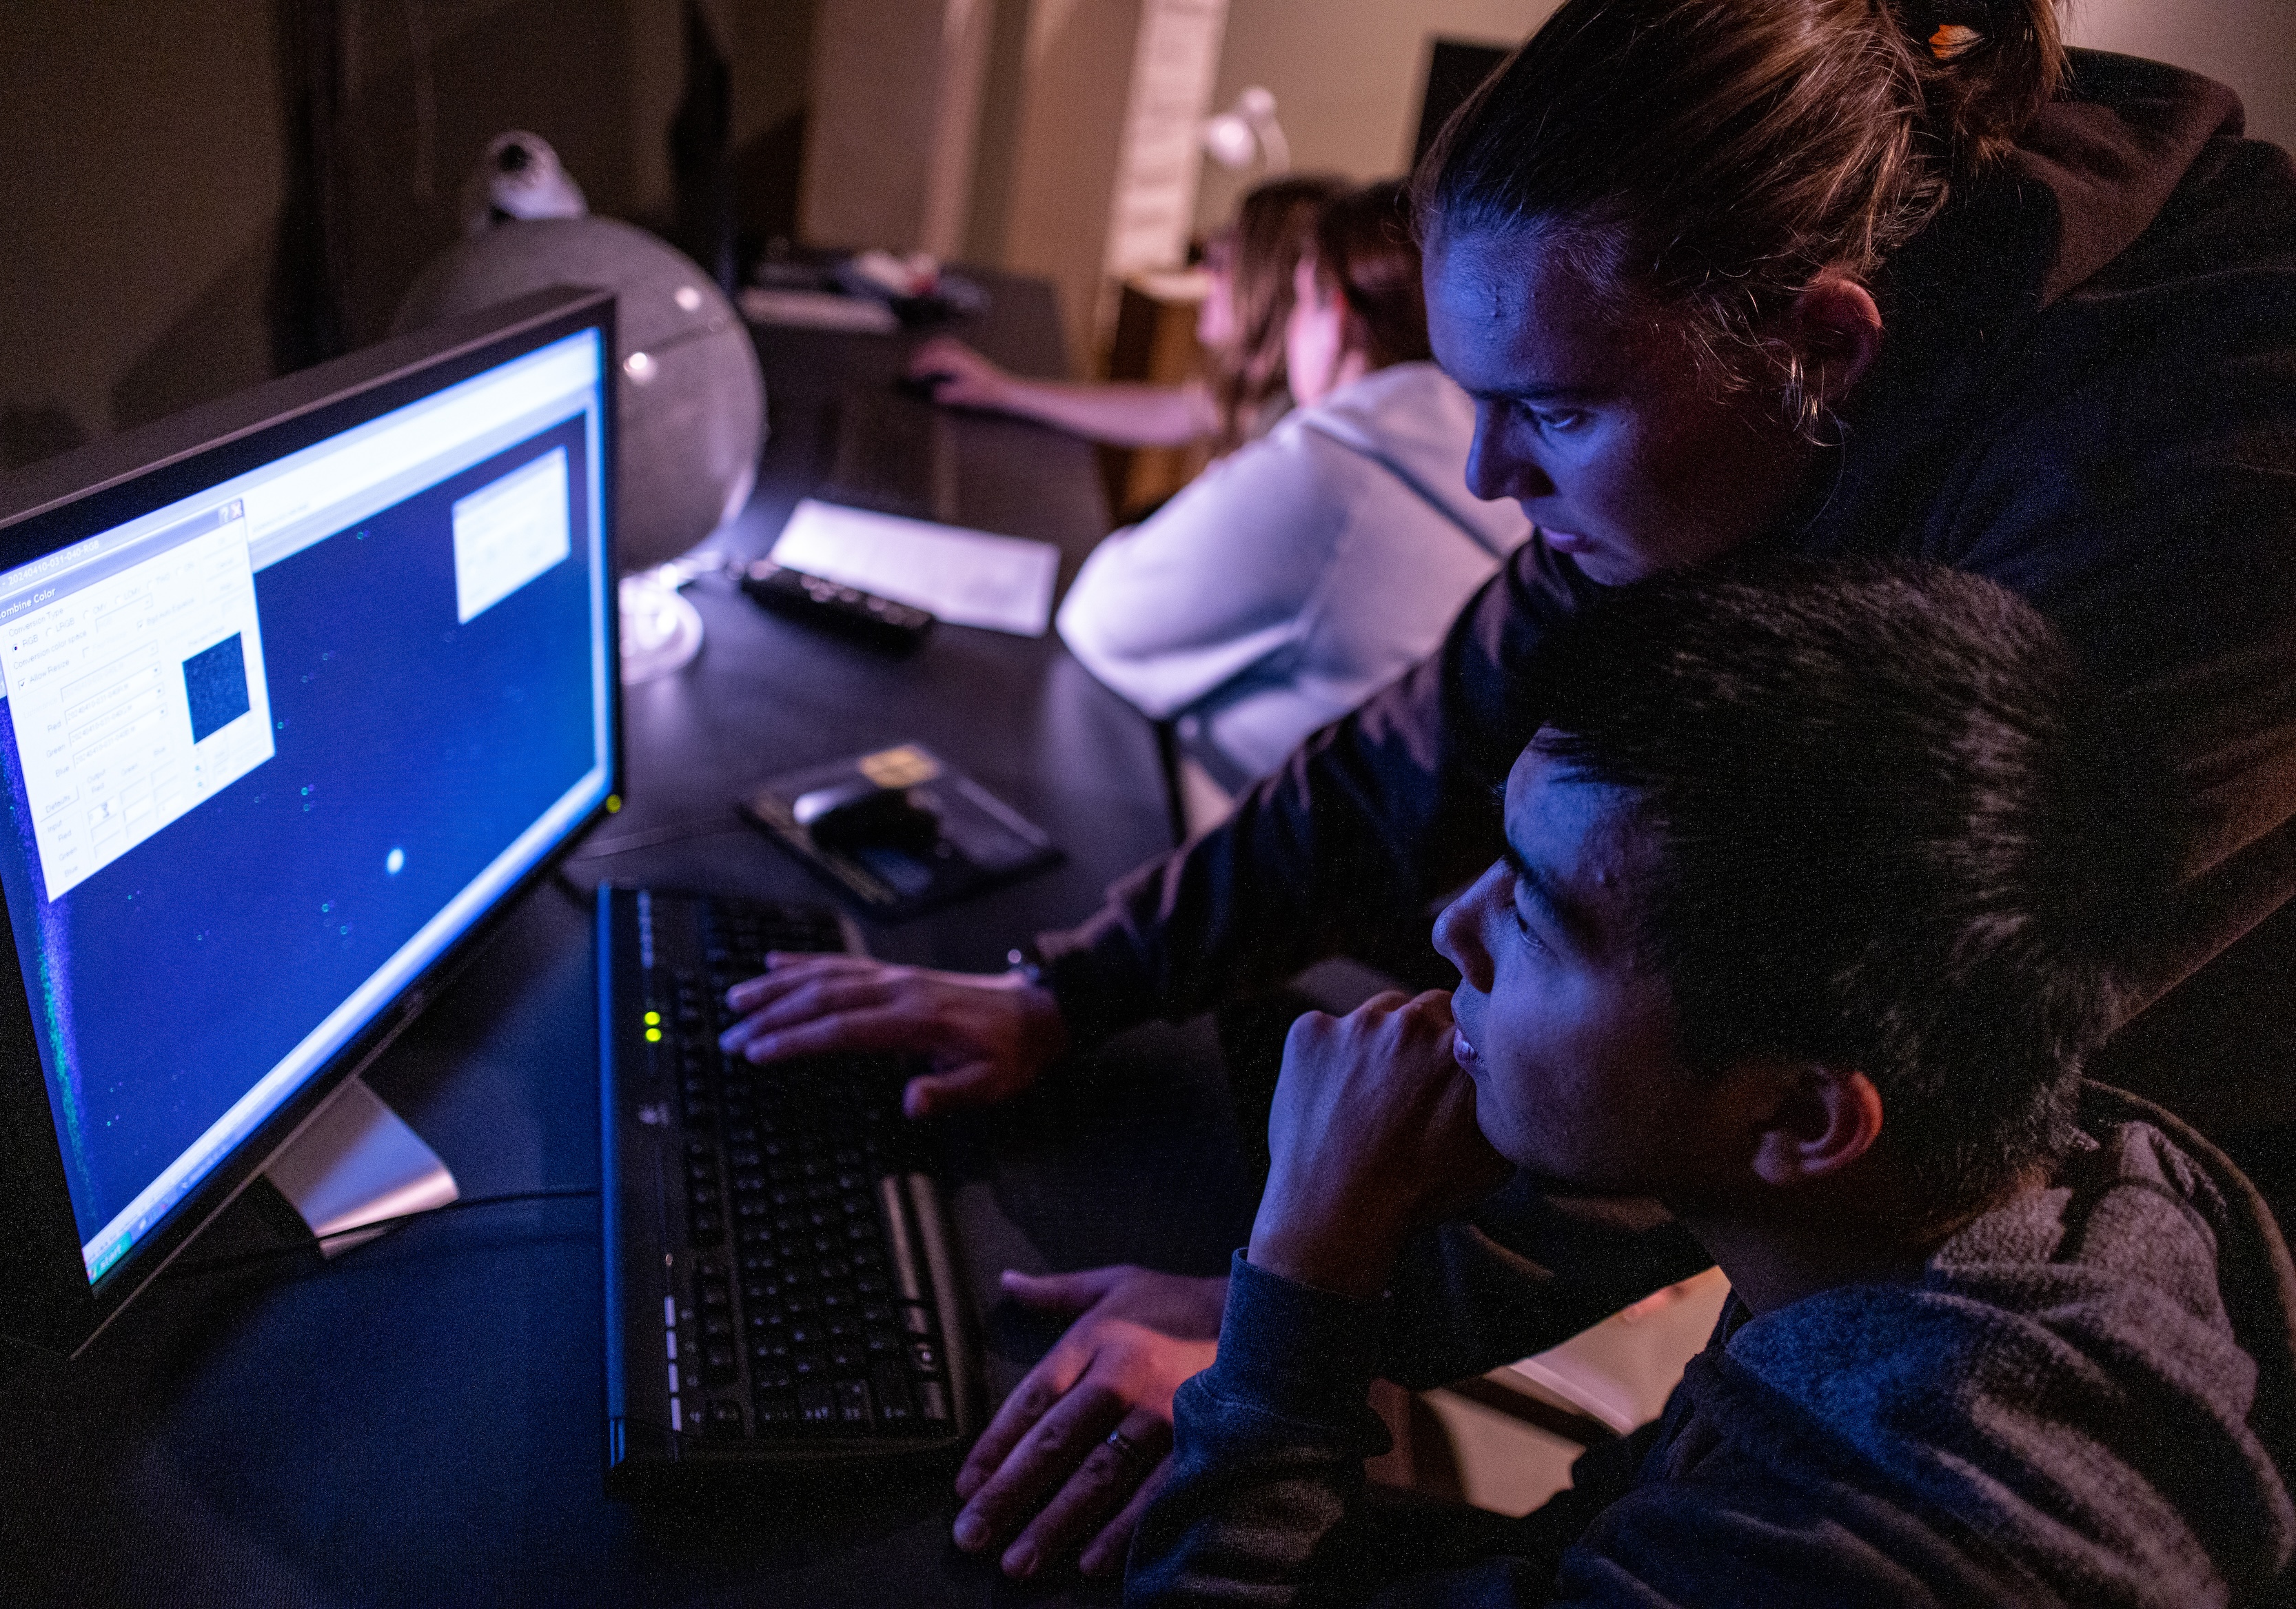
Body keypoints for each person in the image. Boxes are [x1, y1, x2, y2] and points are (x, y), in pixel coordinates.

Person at [722, 0, 2296, 1578]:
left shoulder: (2186, 504)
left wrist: (1291, 1315)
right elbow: (1445, 727)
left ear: (1823, 347)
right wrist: (1063, 988)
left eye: (1549, 411)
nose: (1487, 472)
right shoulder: (1734, 395)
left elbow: (1765, 1051)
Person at [1127, 562, 2296, 1606]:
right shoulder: (2082, 1205)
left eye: (1537, 914)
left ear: (1799, 1114)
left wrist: (1305, 1265)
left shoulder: (1872, 1537)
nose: (1454, 927)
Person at [1057, 181, 1530, 788]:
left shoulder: (1335, 466)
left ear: (1335, 316)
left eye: (1302, 300)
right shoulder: (1499, 467)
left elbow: (1105, 616)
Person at [905, 176, 1345, 451]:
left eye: (1221, 256)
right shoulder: (1262, 397)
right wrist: (1006, 391)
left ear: (1266, 284)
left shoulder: (1291, 436)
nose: (1204, 271)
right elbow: (1170, 411)